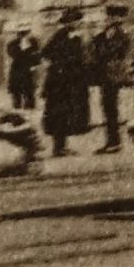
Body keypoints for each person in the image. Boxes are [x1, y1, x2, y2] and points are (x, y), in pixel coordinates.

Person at [41, 8, 91, 157]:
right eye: (76, 20)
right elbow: (45, 53)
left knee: (64, 114)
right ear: (70, 22)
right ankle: (59, 147)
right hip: (60, 82)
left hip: (65, 81)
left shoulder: (70, 36)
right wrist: (61, 64)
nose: (79, 23)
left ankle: (61, 146)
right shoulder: (63, 36)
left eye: (79, 21)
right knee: (59, 114)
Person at [91, 5, 132, 154]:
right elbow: (95, 50)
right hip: (105, 75)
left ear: (116, 19)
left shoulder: (121, 36)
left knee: (111, 109)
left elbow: (113, 53)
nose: (106, 19)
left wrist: (102, 48)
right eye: (107, 16)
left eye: (110, 17)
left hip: (113, 76)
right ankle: (111, 141)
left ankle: (114, 142)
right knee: (107, 108)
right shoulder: (103, 35)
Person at [6, 26, 40, 109]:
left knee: (29, 90)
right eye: (22, 33)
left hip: (29, 69)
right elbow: (12, 54)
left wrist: (35, 65)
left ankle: (30, 107)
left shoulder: (34, 42)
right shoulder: (12, 43)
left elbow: (37, 54)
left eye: (26, 33)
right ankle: (17, 106)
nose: (24, 35)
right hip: (17, 68)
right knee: (16, 91)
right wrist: (23, 48)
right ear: (18, 34)